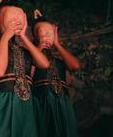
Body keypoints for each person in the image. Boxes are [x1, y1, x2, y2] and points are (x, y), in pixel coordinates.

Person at [0, 0, 50, 137]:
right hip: (3, 100)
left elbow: (44, 64)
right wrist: (6, 37)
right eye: (6, 16)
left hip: (27, 102)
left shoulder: (26, 49)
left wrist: (23, 36)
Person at [32, 9, 80, 137]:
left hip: (62, 101)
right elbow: (28, 73)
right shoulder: (30, 56)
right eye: (43, 32)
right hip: (42, 102)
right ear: (36, 36)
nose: (48, 35)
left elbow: (75, 66)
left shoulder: (58, 60)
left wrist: (57, 44)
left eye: (50, 33)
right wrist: (39, 47)